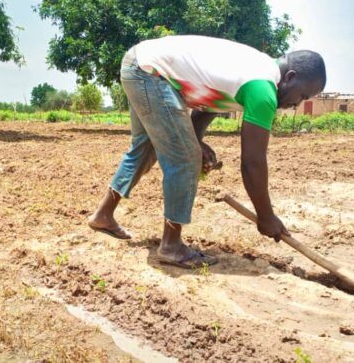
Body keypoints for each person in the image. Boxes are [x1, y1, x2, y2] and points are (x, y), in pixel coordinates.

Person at [88, 35, 326, 268]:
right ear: (291, 77)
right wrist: (266, 216)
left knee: (145, 148)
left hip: (141, 63)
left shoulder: (255, 70)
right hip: (150, 72)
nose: (297, 104)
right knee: (185, 157)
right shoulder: (262, 89)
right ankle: (171, 245)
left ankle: (103, 216)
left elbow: (207, 105)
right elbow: (252, 162)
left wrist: (196, 140)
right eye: (302, 95)